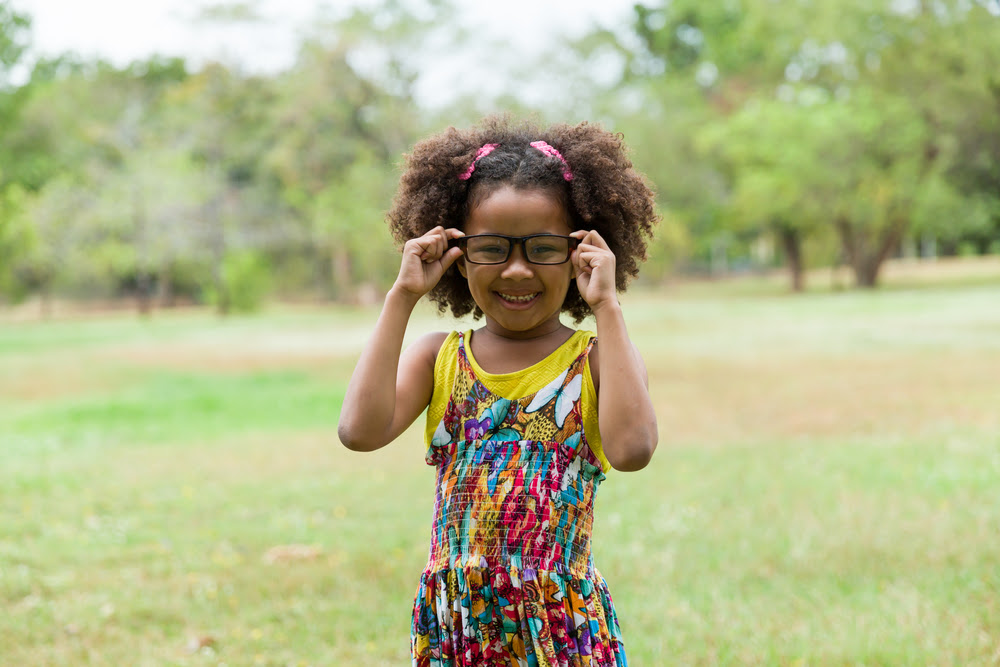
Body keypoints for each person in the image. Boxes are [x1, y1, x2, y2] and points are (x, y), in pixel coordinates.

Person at [338, 115, 659, 666]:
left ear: (582, 250)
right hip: (459, 627)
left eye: (541, 248)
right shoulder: (439, 358)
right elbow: (358, 432)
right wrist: (401, 296)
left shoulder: (598, 361)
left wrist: (607, 306)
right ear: (458, 255)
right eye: (491, 248)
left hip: (562, 629)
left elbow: (633, 452)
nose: (515, 271)